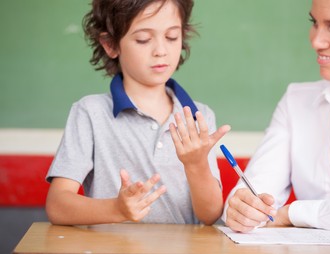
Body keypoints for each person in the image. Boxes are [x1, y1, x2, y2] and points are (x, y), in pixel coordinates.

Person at [45, 0, 230, 226]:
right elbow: (57, 206)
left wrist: (196, 165)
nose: (161, 51)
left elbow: (210, 215)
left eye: (172, 37)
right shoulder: (90, 112)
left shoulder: (199, 116)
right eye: (143, 39)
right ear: (111, 44)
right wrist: (116, 208)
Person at [223, 0, 330, 236]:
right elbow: (256, 192)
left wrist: (293, 213)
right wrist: (244, 209)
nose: (316, 41)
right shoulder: (297, 101)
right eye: (315, 23)